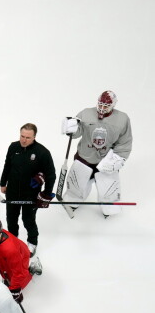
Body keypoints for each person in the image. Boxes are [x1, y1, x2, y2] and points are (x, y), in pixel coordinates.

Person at [61, 90, 133, 218]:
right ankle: (73, 199)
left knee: (109, 189)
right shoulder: (86, 113)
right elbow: (77, 133)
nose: (102, 108)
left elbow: (124, 141)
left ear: (113, 105)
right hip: (85, 157)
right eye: (100, 104)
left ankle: (109, 207)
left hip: (106, 161)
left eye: (106, 106)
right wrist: (71, 128)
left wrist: (119, 157)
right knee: (76, 184)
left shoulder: (122, 119)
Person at [0, 123, 56, 256]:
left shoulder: (43, 152)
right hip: (12, 191)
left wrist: (46, 194)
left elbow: (51, 174)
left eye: (28, 137)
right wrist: (3, 183)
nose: (24, 140)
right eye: (22, 136)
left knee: (28, 220)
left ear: (34, 137)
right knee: (11, 219)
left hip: (30, 194)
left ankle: (32, 242)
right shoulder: (13, 147)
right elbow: (7, 165)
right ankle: (12, 241)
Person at [0, 216, 39, 303]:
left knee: (17, 281)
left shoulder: (11, 250)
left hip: (20, 256)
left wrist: (14, 289)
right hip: (2, 255)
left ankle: (33, 269)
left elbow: (18, 273)